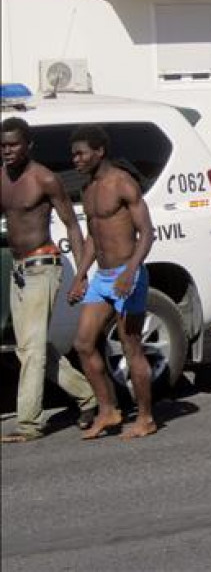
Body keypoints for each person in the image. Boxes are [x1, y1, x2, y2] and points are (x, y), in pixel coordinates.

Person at [0, 118, 96, 443]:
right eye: (3, 145)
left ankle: (28, 424)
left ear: (28, 145)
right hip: (18, 270)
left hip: (43, 266)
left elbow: (72, 224)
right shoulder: (1, 177)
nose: (7, 150)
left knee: (31, 351)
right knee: (30, 348)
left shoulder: (45, 178)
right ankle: (88, 395)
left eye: (13, 144)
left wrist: (81, 274)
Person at [66, 125, 156, 440]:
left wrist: (131, 272)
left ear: (99, 151)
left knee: (131, 345)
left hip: (127, 275)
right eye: (73, 154)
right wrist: (80, 276)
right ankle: (109, 410)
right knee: (83, 343)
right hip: (102, 279)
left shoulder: (122, 183)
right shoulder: (87, 188)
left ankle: (145, 417)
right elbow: (94, 236)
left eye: (81, 153)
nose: (75, 159)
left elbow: (147, 233)